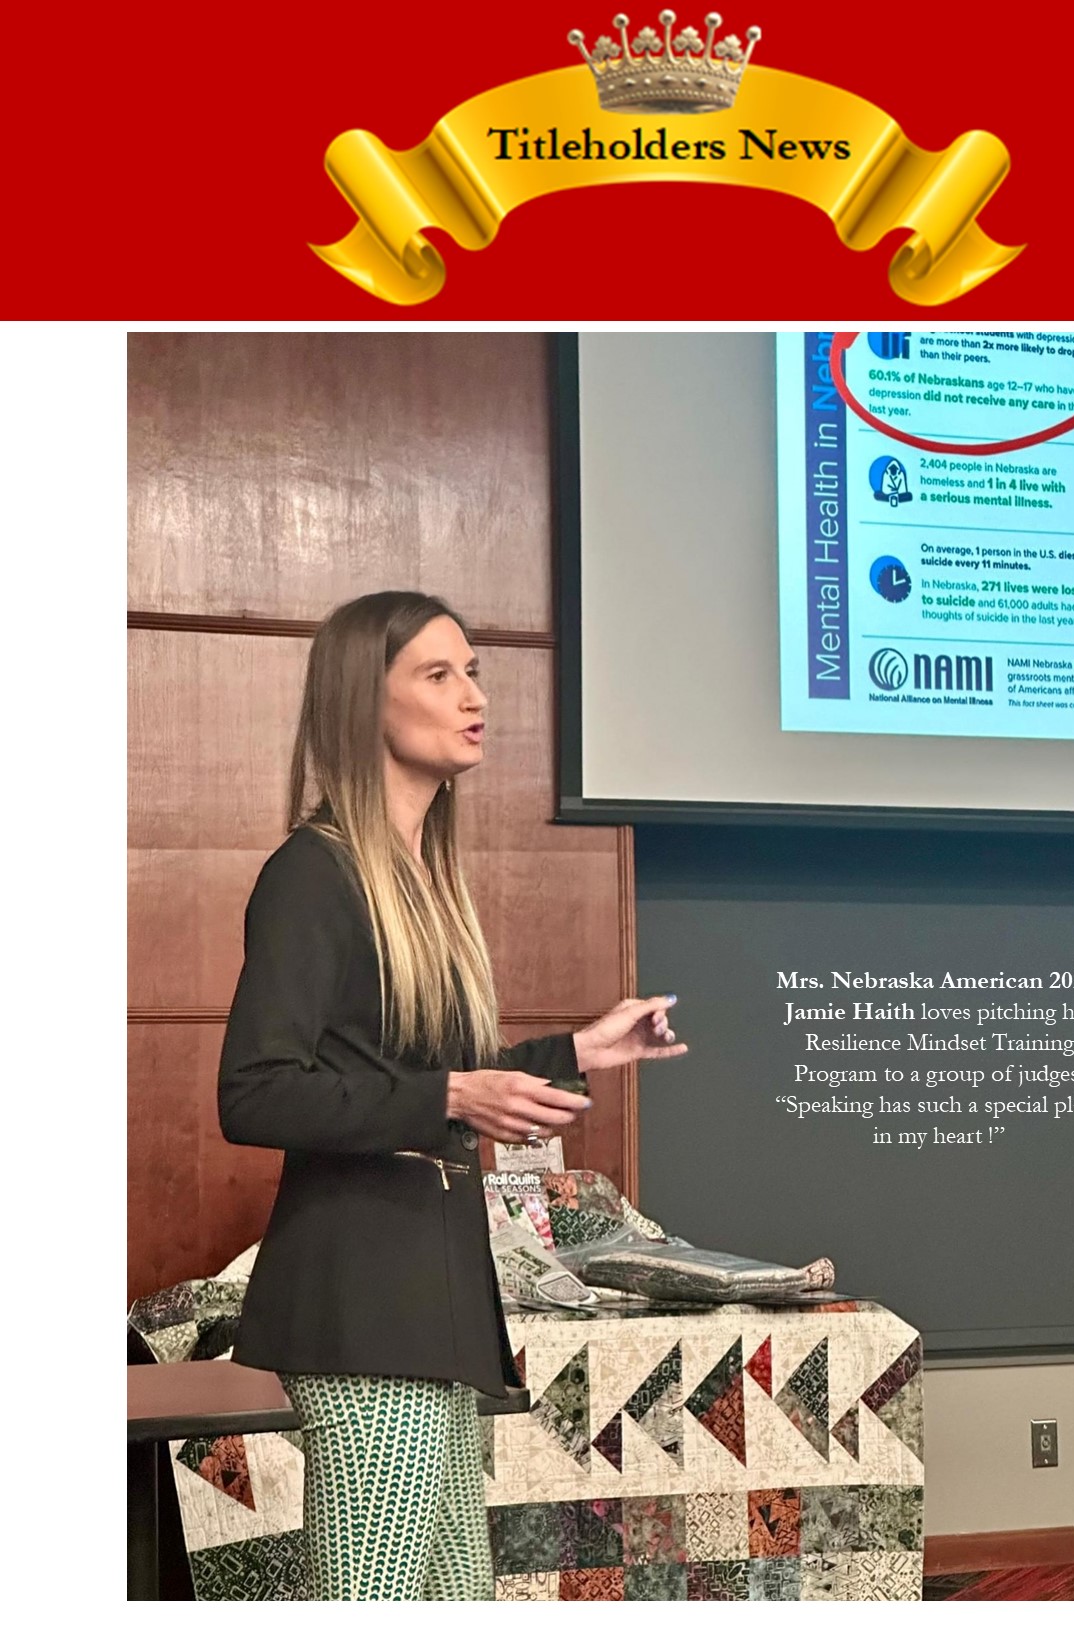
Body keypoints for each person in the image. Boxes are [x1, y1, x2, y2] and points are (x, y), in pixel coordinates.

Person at [217, 590, 688, 1600]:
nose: (474, 696)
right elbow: (254, 1094)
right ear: (364, 701)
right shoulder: (313, 875)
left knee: (453, 1602)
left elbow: (425, 1074)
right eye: (439, 674)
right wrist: (455, 1097)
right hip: (359, 1304)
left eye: (474, 672)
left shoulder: (419, 881)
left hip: (426, 1303)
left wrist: (576, 1050)